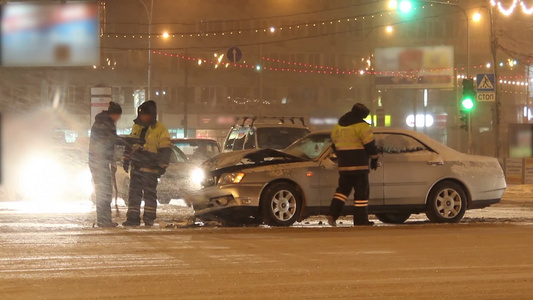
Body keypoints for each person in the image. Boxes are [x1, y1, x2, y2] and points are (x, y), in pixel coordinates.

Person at [327, 103, 379, 227]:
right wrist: (374, 158)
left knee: (342, 191)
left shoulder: (338, 127)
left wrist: (342, 157)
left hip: (344, 166)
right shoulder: (361, 126)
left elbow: (334, 144)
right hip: (359, 165)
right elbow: (369, 144)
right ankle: (361, 221)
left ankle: (332, 214)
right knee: (361, 194)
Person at [122, 100, 171, 227]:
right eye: (141, 114)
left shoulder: (160, 129)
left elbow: (165, 148)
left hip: (151, 168)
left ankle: (149, 218)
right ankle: (132, 219)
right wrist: (126, 159)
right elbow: (129, 145)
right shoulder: (136, 126)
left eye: (145, 114)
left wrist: (162, 165)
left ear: (152, 114)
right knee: (134, 194)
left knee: (149, 194)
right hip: (136, 166)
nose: (143, 117)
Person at [89, 101, 124, 227]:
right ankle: (104, 220)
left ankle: (104, 219)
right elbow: (111, 140)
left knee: (104, 191)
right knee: (104, 191)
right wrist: (127, 142)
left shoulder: (102, 122)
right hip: (100, 161)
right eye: (118, 116)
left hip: (98, 161)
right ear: (114, 114)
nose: (118, 119)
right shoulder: (106, 124)